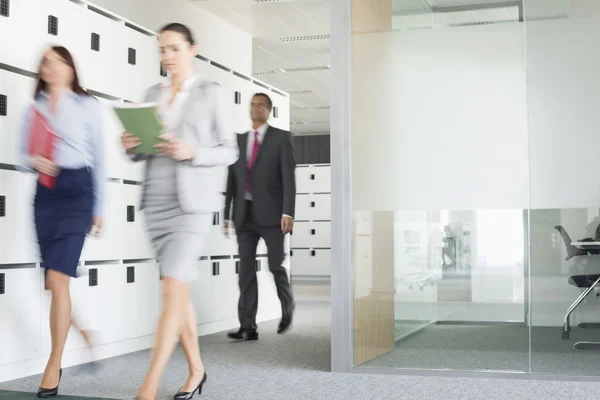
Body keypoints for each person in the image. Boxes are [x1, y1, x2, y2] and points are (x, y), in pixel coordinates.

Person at [120, 23, 237, 400]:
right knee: (177, 291)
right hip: (156, 201)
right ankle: (197, 370)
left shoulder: (211, 93)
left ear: (192, 49)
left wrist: (192, 152)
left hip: (190, 206)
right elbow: (141, 151)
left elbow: (229, 150)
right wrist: (130, 144)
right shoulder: (151, 93)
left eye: (174, 48)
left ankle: (149, 386)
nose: (167, 56)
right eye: (162, 50)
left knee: (172, 288)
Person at [18, 46, 106, 398]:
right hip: (45, 195)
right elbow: (21, 157)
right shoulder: (34, 109)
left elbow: (101, 158)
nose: (50, 67)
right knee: (54, 286)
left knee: (58, 278)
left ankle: (53, 366)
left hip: (77, 193)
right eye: (45, 62)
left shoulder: (88, 106)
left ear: (71, 68)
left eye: (57, 61)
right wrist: (34, 161)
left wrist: (100, 205)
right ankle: (85, 333)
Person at [224, 93, 296, 341]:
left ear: (269, 110)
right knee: (245, 272)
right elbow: (232, 179)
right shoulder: (239, 139)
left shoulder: (281, 138)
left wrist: (288, 212)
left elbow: (289, 178)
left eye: (261, 105)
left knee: (275, 266)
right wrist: (227, 214)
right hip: (245, 217)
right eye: (253, 104)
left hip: (273, 216)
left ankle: (287, 307)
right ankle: (248, 326)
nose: (256, 108)